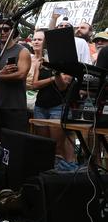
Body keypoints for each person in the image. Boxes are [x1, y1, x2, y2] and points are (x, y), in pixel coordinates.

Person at [29, 29, 75, 165]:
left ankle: (57, 174)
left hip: (57, 107)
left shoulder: (66, 62)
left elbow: (63, 86)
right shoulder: (40, 62)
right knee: (43, 145)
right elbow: (34, 84)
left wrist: (56, 73)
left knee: (57, 146)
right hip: (40, 107)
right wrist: (52, 77)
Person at [0, 18, 32, 142]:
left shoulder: (22, 51)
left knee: (15, 144)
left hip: (15, 106)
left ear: (13, 32)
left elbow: (21, 75)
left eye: (6, 29)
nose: (2, 32)